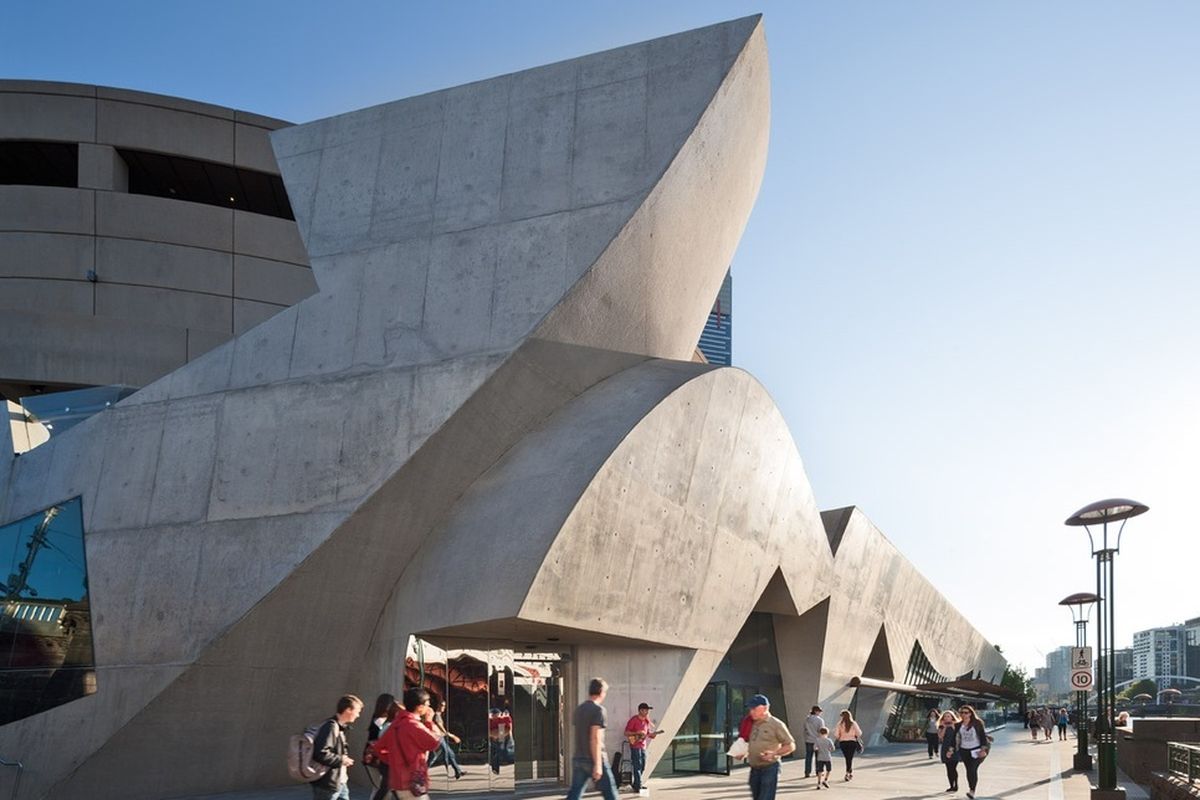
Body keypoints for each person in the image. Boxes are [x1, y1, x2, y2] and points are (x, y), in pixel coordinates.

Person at [375, 688, 442, 797]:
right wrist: (429, 721)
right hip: (412, 779)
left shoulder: (396, 723)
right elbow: (435, 742)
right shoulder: (413, 724)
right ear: (420, 707)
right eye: (427, 704)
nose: (429, 707)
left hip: (398, 779)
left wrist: (394, 760)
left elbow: (379, 748)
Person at [566, 677, 619, 800]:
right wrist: (598, 765)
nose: (605, 695)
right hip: (594, 759)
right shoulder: (599, 710)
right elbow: (595, 738)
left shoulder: (579, 710)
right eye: (605, 692)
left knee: (574, 794)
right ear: (600, 691)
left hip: (578, 758)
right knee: (610, 794)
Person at [310, 694, 362, 800]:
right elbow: (320, 753)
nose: (358, 715)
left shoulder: (340, 727)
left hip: (340, 781)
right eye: (357, 711)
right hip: (328, 784)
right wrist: (341, 760)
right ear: (348, 710)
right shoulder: (331, 727)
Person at [745, 694, 795, 800]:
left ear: (765, 708)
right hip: (754, 769)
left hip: (769, 768)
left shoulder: (776, 724)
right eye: (750, 709)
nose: (751, 712)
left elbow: (790, 746)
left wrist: (774, 753)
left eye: (754, 708)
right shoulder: (752, 723)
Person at [955, 705, 990, 800]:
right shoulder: (958, 725)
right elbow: (955, 738)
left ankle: (972, 791)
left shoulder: (977, 723)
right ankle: (971, 788)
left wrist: (983, 749)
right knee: (968, 770)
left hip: (976, 750)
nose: (963, 714)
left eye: (966, 712)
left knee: (972, 769)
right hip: (964, 750)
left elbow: (982, 737)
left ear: (970, 713)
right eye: (962, 713)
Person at [623, 702, 659, 793]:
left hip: (643, 746)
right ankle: (638, 786)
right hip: (635, 745)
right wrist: (637, 733)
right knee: (637, 765)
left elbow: (648, 734)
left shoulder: (647, 721)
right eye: (645, 710)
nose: (647, 712)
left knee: (642, 765)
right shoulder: (634, 720)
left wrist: (653, 735)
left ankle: (636, 784)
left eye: (647, 710)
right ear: (640, 710)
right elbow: (626, 733)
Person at [367, 694, 397, 800]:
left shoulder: (377, 718)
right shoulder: (380, 721)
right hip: (377, 758)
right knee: (381, 789)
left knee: (379, 789)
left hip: (374, 758)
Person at [427, 698, 465, 780]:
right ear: (438, 706)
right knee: (447, 754)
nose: (443, 707)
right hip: (438, 738)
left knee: (435, 756)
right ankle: (458, 771)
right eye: (442, 705)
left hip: (440, 737)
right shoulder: (436, 715)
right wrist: (452, 736)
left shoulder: (438, 715)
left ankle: (458, 771)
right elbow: (441, 728)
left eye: (444, 706)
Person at [833, 709, 863, 780]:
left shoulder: (839, 724)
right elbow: (859, 733)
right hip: (852, 742)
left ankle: (849, 772)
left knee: (847, 758)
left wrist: (840, 736)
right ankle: (848, 773)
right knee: (850, 758)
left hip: (843, 743)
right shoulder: (853, 723)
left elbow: (836, 734)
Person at [937, 709, 960, 792]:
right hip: (945, 747)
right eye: (945, 716)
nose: (947, 718)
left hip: (955, 748)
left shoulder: (956, 725)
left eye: (948, 716)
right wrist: (944, 728)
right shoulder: (941, 725)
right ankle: (951, 785)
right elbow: (940, 737)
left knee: (953, 767)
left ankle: (956, 785)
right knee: (948, 768)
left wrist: (954, 727)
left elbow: (958, 735)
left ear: (952, 717)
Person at [803, 705, 825, 778]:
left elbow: (805, 729)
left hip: (808, 740)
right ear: (816, 711)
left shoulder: (807, 719)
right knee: (818, 757)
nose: (820, 713)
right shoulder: (820, 720)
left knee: (808, 756)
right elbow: (822, 731)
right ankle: (818, 771)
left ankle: (807, 772)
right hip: (817, 740)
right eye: (819, 711)